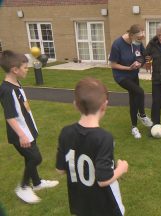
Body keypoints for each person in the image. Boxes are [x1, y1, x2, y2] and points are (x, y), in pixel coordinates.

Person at [56, 77, 128, 216]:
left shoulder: (66, 132)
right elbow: (104, 180)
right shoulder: (104, 138)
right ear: (104, 105)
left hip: (80, 202)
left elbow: (60, 169)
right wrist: (121, 168)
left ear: (75, 105)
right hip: (104, 204)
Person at [0, 50, 59, 204]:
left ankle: (37, 184)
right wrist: (22, 135)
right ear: (15, 69)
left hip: (28, 130)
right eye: (25, 67)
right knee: (35, 158)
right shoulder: (7, 90)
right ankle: (23, 187)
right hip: (20, 134)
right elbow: (10, 117)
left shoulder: (15, 83)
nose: (27, 70)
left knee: (30, 158)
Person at [109, 24, 153, 139]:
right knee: (139, 92)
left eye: (142, 38)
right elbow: (113, 64)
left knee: (134, 99)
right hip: (121, 76)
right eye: (139, 38)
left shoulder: (137, 42)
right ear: (131, 35)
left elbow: (143, 56)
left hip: (133, 75)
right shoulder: (117, 44)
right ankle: (142, 115)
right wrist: (128, 68)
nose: (140, 40)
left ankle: (134, 127)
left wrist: (139, 62)